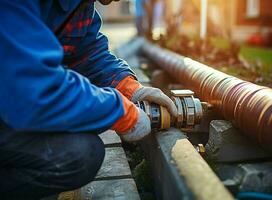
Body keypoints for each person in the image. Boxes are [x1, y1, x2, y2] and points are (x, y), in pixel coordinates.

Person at [0, 0, 177, 199]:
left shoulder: (79, 6)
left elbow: (87, 52)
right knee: (78, 154)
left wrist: (128, 87)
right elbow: (33, 87)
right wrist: (119, 112)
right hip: (13, 99)